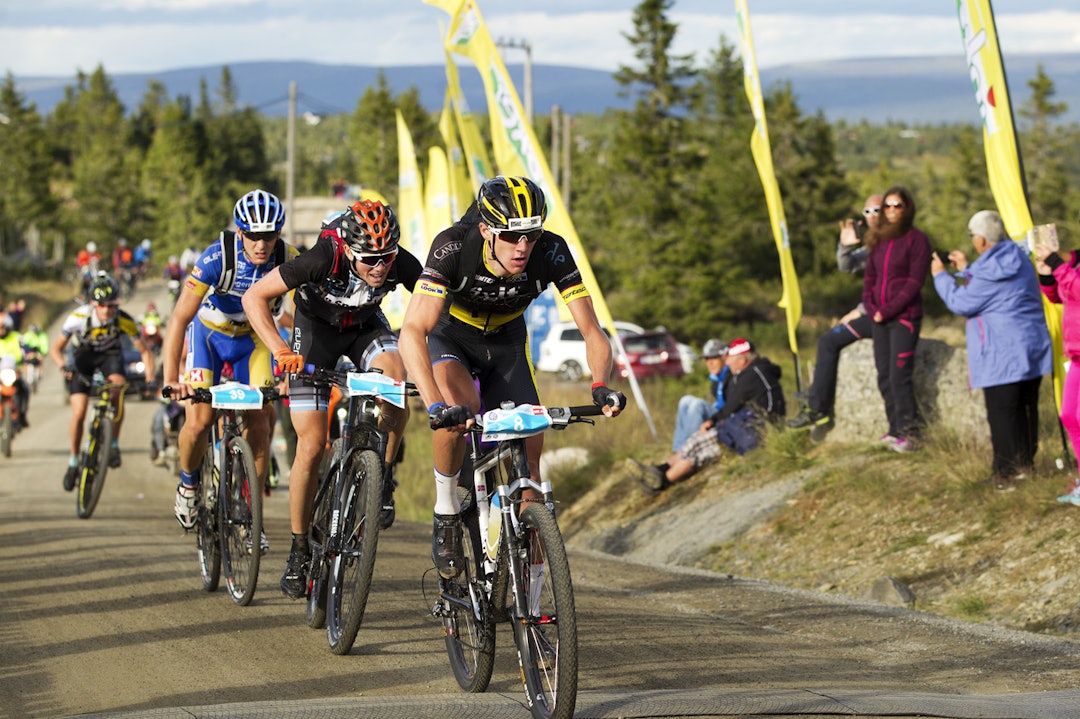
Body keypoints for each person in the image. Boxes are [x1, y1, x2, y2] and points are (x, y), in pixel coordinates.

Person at [399, 175, 626, 580]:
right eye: (510, 237)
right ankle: (447, 509)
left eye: (532, 235)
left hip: (507, 341)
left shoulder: (552, 250)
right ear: (486, 231)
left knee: (531, 474)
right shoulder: (453, 245)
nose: (523, 248)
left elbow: (592, 330)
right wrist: (435, 404)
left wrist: (599, 384)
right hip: (453, 335)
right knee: (460, 410)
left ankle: (534, 595)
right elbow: (413, 331)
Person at [243, 198, 423, 598]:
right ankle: (299, 547)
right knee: (310, 446)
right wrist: (279, 350)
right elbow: (253, 297)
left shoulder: (397, 261)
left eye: (386, 259)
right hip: (315, 334)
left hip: (365, 328)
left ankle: (384, 476)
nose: (379, 269)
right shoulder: (322, 256)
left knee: (396, 385)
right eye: (369, 261)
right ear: (348, 249)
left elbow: (438, 302)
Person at [161, 189, 299, 536]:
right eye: (252, 235)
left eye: (269, 236)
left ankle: (250, 514)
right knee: (200, 419)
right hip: (210, 337)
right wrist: (171, 379)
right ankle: (189, 485)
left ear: (279, 234)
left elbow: (302, 321)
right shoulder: (216, 258)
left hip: (253, 341)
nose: (261, 245)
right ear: (240, 232)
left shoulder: (289, 258)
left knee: (262, 421)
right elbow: (179, 318)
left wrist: (292, 367)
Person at [933, 211, 1051, 490]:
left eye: (972, 236)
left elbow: (961, 302)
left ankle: (1005, 474)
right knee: (1025, 408)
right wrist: (965, 269)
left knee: (1002, 412)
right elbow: (990, 280)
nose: (972, 240)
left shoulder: (988, 271)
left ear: (982, 240)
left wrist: (941, 276)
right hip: (1031, 348)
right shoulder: (1018, 258)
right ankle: (1025, 467)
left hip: (1001, 354)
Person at [630, 337, 785, 493]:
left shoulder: (750, 376)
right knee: (697, 442)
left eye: (730, 358)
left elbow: (732, 405)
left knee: (702, 450)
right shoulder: (752, 372)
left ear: (742, 360)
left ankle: (662, 481)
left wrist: (712, 420)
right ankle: (660, 471)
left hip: (750, 430)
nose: (728, 362)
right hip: (744, 425)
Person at [49, 276, 155, 489]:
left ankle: (113, 444)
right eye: (102, 306)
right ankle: (73, 460)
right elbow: (55, 349)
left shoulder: (124, 319)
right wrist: (63, 365)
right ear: (93, 304)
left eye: (112, 305)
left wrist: (150, 380)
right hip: (83, 358)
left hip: (110, 357)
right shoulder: (77, 318)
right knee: (78, 412)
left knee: (118, 389)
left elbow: (145, 352)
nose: (107, 310)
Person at [788, 194, 883, 431]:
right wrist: (844, 246)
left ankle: (817, 407)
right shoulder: (875, 244)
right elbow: (847, 266)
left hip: (884, 315)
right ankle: (817, 393)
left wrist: (860, 311)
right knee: (829, 340)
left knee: (829, 340)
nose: (871, 216)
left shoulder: (893, 244)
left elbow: (890, 285)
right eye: (867, 211)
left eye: (877, 210)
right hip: (875, 312)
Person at [861, 186, 931, 451]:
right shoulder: (878, 239)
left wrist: (888, 309)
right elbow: (870, 278)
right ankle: (894, 429)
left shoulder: (917, 239)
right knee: (884, 375)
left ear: (907, 208)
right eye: (887, 206)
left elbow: (914, 282)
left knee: (900, 375)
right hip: (879, 319)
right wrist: (871, 306)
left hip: (904, 317)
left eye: (896, 206)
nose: (890, 211)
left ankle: (912, 433)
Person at [1035, 231, 1080, 505]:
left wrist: (1056, 263)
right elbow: (1061, 297)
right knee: (1069, 417)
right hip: (1076, 354)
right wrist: (1047, 276)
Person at [670, 338, 728, 451]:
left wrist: (713, 418)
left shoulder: (731, 374)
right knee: (685, 400)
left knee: (698, 405)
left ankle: (688, 451)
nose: (710, 363)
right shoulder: (716, 379)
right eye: (707, 359)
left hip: (726, 417)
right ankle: (678, 449)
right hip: (718, 412)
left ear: (724, 357)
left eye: (714, 358)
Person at [0, 315, 31, 430]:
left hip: (14, 371)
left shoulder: (17, 337)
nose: (1, 331)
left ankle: (22, 415)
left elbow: (26, 349)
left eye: (3, 328)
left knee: (25, 388)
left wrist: (30, 356)